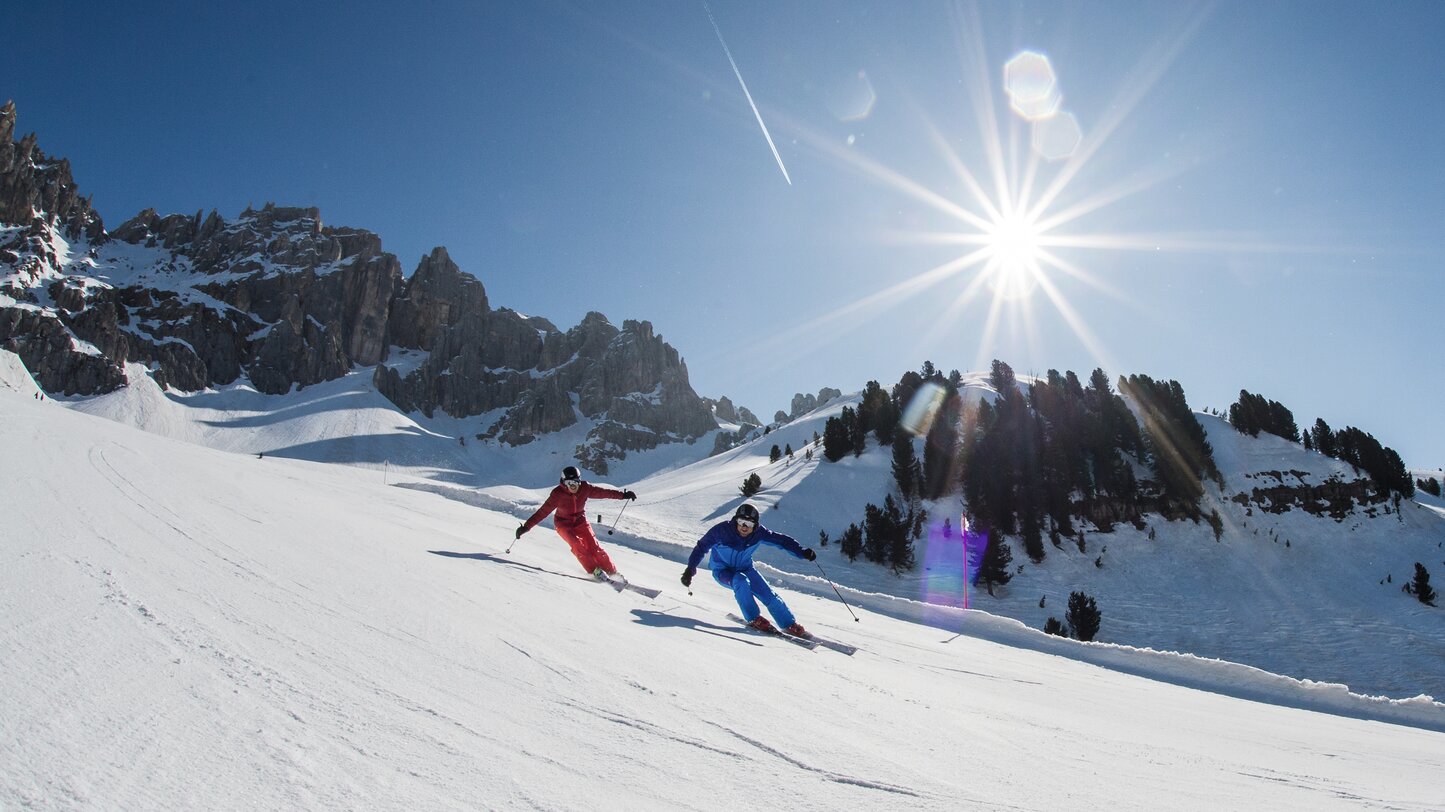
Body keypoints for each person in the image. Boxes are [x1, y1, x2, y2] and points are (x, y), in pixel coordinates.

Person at [681, 503, 816, 636]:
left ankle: (788, 624)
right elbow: (702, 547)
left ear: (755, 526)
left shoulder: (759, 533)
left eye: (749, 524)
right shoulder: (721, 531)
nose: (744, 527)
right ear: (736, 520)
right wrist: (690, 570)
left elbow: (781, 541)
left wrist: (801, 552)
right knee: (741, 581)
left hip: (746, 569)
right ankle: (754, 618)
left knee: (768, 595)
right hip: (723, 572)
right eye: (741, 522)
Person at [516, 465, 637, 580]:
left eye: (575, 483)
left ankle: (612, 572)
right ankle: (595, 571)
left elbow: (603, 492)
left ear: (579, 481)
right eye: (569, 483)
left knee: (594, 546)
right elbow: (543, 511)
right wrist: (526, 527)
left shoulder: (585, 488)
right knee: (577, 545)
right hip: (563, 524)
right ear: (563, 483)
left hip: (580, 520)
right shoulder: (557, 494)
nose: (572, 486)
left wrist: (623, 495)